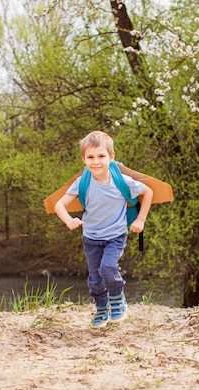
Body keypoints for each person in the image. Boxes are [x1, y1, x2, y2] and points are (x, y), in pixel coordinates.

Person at [54, 131, 153, 328]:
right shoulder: (82, 182)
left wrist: (141, 220)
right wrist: (68, 220)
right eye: (90, 157)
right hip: (91, 237)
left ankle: (117, 298)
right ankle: (101, 308)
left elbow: (147, 192)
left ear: (111, 157)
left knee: (107, 268)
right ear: (83, 159)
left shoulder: (121, 181)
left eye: (101, 156)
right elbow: (59, 205)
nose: (96, 162)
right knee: (95, 279)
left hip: (115, 235)